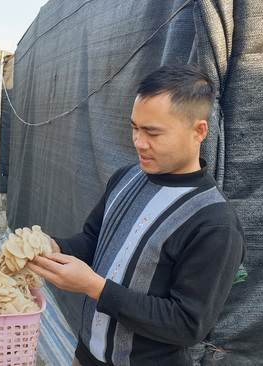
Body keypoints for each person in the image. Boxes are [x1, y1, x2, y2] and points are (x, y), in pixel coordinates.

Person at [28, 64, 245, 366]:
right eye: (135, 128)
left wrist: (95, 287)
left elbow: (186, 324)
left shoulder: (214, 222)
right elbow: (93, 241)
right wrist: (54, 248)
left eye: (153, 132)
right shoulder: (126, 178)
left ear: (199, 131)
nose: (139, 142)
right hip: (85, 355)